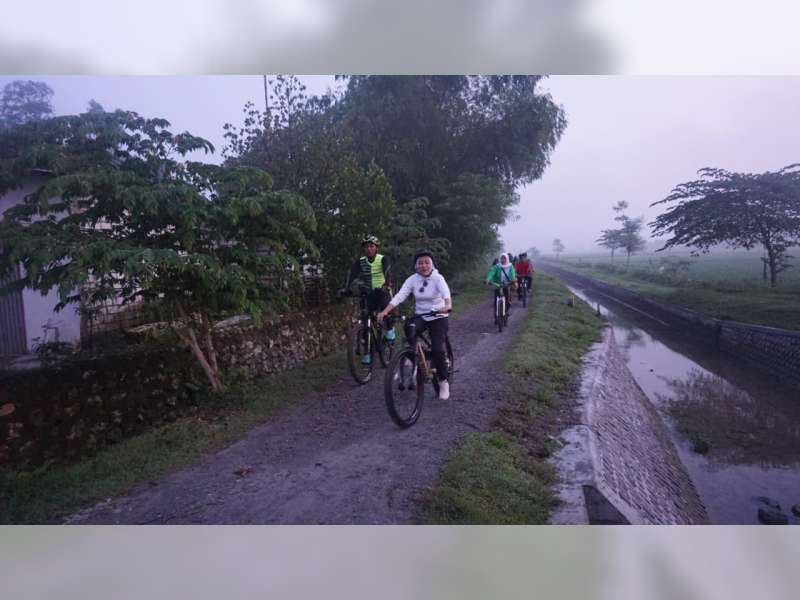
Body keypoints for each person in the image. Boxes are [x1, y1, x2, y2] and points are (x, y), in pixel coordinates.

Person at [377, 249, 453, 400]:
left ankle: (443, 381)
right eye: (420, 263)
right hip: (421, 316)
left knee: (438, 349)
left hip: (438, 316)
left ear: (432, 264)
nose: (423, 265)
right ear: (416, 265)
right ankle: (415, 359)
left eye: (427, 262)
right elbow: (400, 296)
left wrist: (447, 306)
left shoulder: (438, 278)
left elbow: (446, 295)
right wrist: (385, 311)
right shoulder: (412, 279)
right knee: (409, 329)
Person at [344, 235, 396, 363]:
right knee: (365, 319)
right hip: (369, 293)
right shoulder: (360, 261)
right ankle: (366, 352)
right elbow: (352, 275)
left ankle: (390, 330)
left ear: (376, 248)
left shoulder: (383, 259)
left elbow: (387, 272)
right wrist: (346, 289)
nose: (369, 249)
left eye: (371, 246)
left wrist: (387, 284)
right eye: (366, 246)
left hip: (382, 291)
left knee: (386, 310)